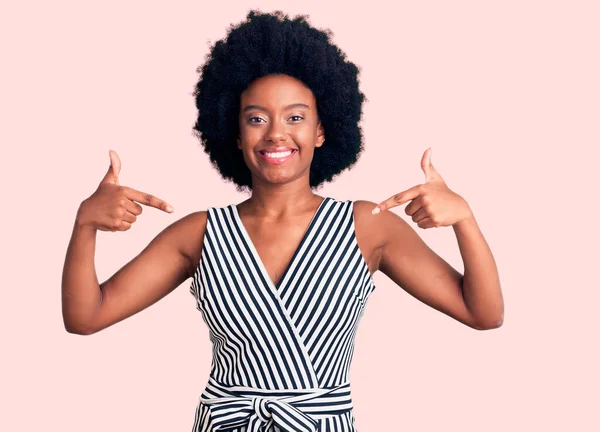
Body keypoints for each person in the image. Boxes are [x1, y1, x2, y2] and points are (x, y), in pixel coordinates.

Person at [62, 10, 504, 432]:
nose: (275, 133)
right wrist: (85, 225)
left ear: (321, 130)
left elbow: (482, 313)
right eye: (256, 118)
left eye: (295, 117)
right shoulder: (197, 233)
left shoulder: (368, 226)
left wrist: (464, 218)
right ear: (234, 133)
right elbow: (85, 317)